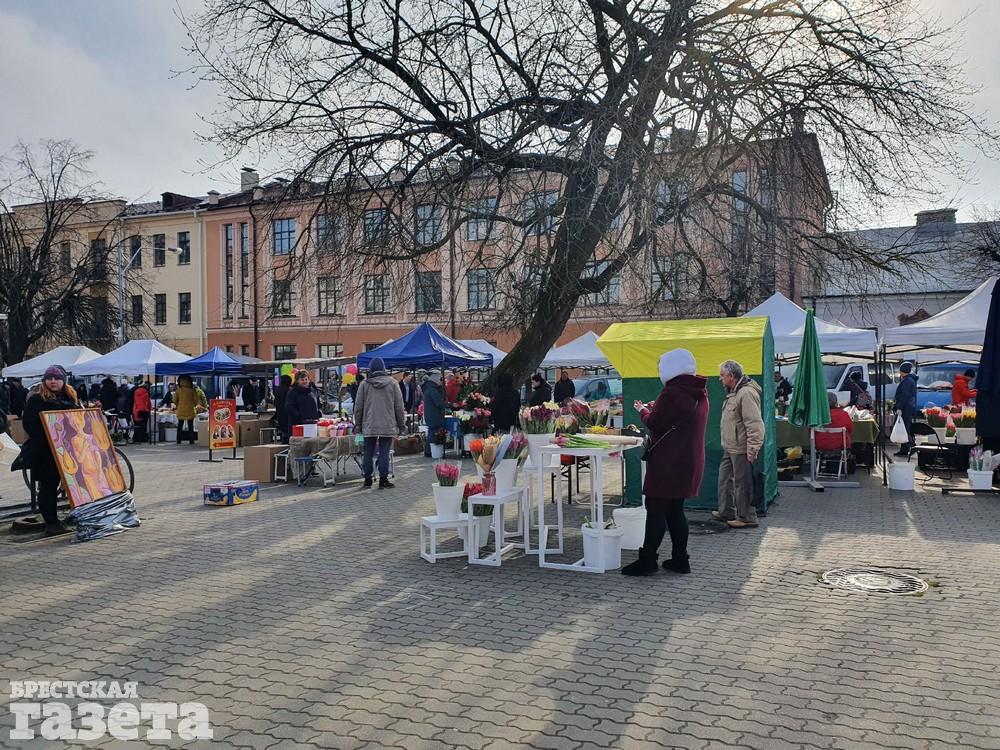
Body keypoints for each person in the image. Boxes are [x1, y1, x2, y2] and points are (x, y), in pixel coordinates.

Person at [622, 349, 709, 576]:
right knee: (675, 510)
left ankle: (648, 561)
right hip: (689, 460)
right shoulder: (699, 391)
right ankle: (680, 559)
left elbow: (656, 423)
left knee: (656, 509)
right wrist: (656, 408)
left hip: (669, 462)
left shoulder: (673, 392)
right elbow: (674, 418)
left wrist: (643, 411)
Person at [21, 366, 78, 536]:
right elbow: (29, 424)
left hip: (68, 449)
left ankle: (77, 515)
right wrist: (49, 439)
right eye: (49, 378)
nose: (53, 381)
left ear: (63, 380)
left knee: (73, 483)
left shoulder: (69, 396)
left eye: (57, 378)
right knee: (48, 486)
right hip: (45, 452)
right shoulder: (37, 399)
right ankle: (51, 523)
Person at [714, 359, 765, 529]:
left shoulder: (746, 393)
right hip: (730, 447)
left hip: (741, 448)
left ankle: (747, 517)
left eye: (722, 375)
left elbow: (754, 424)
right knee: (724, 480)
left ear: (731, 376)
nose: (720, 379)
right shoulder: (735, 393)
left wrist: (753, 448)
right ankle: (726, 511)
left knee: (742, 484)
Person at [354, 357, 405, 489]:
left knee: (368, 452)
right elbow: (399, 406)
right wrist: (401, 425)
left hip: (369, 423)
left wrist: (358, 424)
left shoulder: (364, 384)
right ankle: (383, 479)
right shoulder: (393, 383)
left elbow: (358, 406)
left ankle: (367, 479)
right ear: (383, 368)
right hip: (387, 424)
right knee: (384, 452)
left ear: (371, 369)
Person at [893, 362, 918, 457]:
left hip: (905, 408)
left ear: (902, 371)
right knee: (905, 428)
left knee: (905, 428)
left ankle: (912, 445)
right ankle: (904, 449)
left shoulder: (907, 381)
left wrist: (899, 407)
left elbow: (904, 396)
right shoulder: (910, 380)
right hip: (908, 407)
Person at [175, 375, 207, 445]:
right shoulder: (192, 391)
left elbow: (174, 400)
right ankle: (191, 440)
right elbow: (196, 400)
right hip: (190, 410)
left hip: (181, 410)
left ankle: (178, 440)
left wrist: (178, 405)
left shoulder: (178, 391)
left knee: (180, 426)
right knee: (190, 426)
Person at [421, 372, 446, 457]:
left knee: (431, 432)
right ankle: (429, 451)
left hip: (430, 414)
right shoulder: (432, 390)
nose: (442, 381)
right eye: (441, 379)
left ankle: (429, 451)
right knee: (432, 432)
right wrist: (449, 405)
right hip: (434, 415)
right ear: (436, 380)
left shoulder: (429, 388)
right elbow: (439, 403)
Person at [274, 374, 293, 443]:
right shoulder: (289, 390)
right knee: (288, 430)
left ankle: (284, 441)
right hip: (288, 414)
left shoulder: (277, 390)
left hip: (279, 412)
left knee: (283, 430)